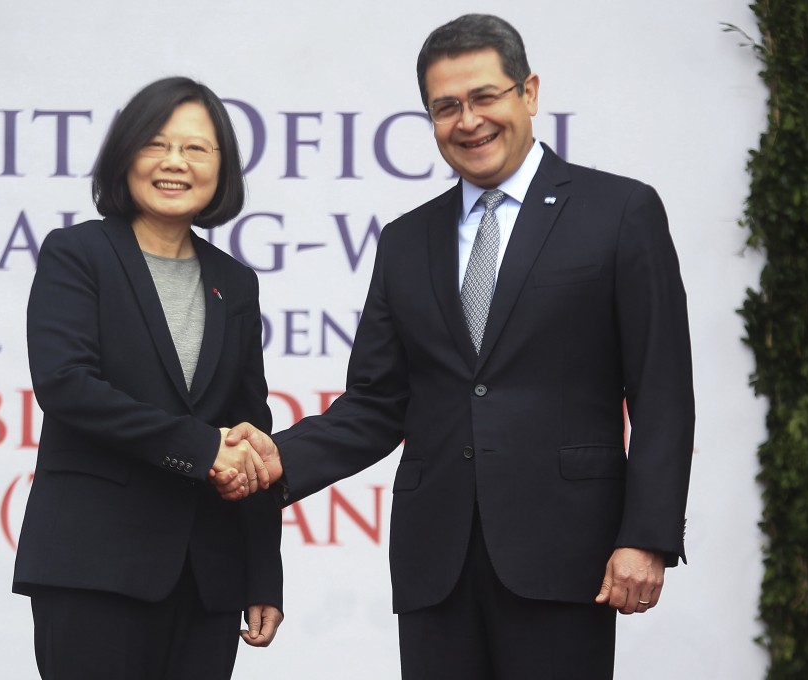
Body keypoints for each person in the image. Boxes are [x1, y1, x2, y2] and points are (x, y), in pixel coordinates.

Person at [214, 14, 693, 680]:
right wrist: (277, 459)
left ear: (528, 92)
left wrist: (646, 536)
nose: (468, 121)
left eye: (484, 97)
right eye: (446, 107)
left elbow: (661, 391)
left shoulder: (619, 212)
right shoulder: (406, 240)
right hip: (435, 563)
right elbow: (377, 403)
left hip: (566, 555)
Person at [12, 76, 283, 680]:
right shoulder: (78, 253)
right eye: (156, 144)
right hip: (94, 566)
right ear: (125, 155)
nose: (174, 162)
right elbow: (66, 384)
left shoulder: (235, 282)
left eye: (196, 148)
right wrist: (200, 448)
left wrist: (262, 571)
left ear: (221, 168)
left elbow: (250, 429)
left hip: (207, 577)